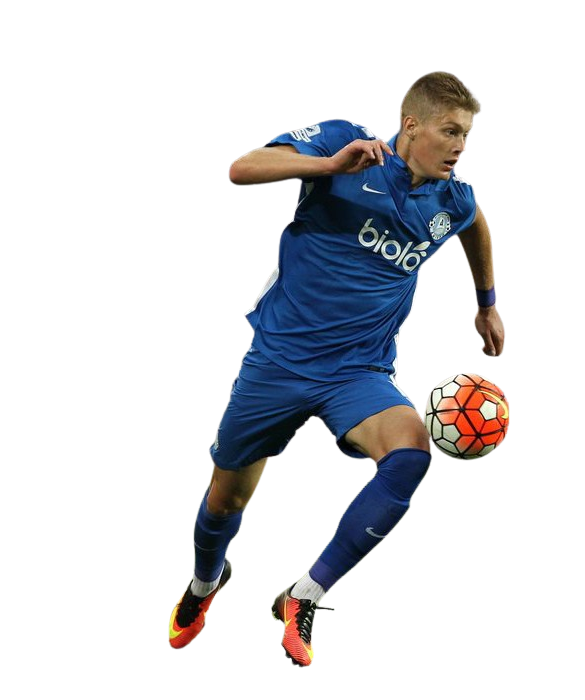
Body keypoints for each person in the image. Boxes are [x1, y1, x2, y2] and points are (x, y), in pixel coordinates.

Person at [168, 70, 505, 666]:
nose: (460, 146)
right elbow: (241, 169)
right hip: (279, 361)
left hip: (358, 372)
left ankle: (302, 596)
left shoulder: (452, 197)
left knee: (411, 454)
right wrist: (326, 168)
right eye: (451, 131)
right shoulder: (344, 141)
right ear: (411, 125)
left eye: (467, 135)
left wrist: (486, 303)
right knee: (225, 500)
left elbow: (475, 223)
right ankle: (204, 584)